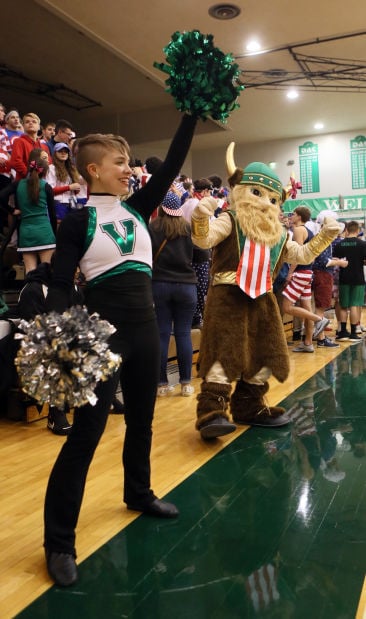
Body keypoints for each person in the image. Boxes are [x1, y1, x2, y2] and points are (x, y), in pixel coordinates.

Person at [42, 112, 198, 587]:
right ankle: (59, 541)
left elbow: (170, 166)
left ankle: (139, 492)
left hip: (147, 330)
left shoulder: (138, 207)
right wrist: (67, 341)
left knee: (143, 421)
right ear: (92, 170)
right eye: (119, 163)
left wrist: (190, 112)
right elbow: (60, 284)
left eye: (129, 162)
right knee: (85, 436)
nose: (128, 169)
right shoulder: (76, 221)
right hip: (104, 336)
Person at [190, 148, 341, 440]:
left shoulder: (279, 234)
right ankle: (212, 410)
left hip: (263, 299)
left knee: (265, 354)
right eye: (257, 194)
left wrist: (325, 236)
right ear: (242, 191)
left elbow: (303, 254)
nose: (265, 203)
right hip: (228, 298)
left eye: (272, 199)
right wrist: (200, 216)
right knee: (223, 353)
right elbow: (203, 238)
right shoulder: (230, 220)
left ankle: (249, 406)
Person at [149, 191, 197, 397]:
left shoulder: (153, 227)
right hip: (187, 286)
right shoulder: (188, 228)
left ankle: (161, 384)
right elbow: (202, 257)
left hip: (159, 284)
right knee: (184, 334)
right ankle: (186, 383)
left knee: (161, 334)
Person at [282, 206, 330, 353]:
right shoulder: (310, 231)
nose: (291, 216)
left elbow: (298, 254)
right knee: (306, 309)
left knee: (286, 307)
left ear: (300, 216)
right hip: (308, 272)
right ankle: (308, 342)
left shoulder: (298, 230)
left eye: (294, 214)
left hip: (300, 272)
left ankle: (319, 320)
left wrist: (290, 273)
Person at [0, 148, 56, 273]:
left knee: (30, 272)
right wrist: (54, 235)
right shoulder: (46, 187)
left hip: (26, 232)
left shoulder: (18, 184)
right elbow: (52, 215)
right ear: (45, 172)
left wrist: (12, 210)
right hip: (45, 232)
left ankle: (29, 293)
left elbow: (1, 197)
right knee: (46, 272)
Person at [332, 220, 366, 341]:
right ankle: (353, 333)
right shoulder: (363, 244)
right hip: (358, 278)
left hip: (343, 278)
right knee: (354, 305)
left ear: (346, 230)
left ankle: (342, 333)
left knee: (343, 305)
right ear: (357, 231)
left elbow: (334, 260)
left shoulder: (339, 245)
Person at [45, 142, 82, 223]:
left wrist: (76, 189)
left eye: (65, 151)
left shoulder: (71, 169)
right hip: (59, 203)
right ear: (55, 153)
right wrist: (69, 187)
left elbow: (75, 191)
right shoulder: (51, 168)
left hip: (72, 203)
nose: (63, 153)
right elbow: (50, 190)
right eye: (60, 151)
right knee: (60, 228)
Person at [9, 113, 51, 180]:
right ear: (23, 126)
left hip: (41, 183)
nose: (31, 123)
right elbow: (16, 162)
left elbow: (48, 164)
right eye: (27, 122)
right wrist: (30, 176)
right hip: (24, 182)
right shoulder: (19, 141)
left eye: (34, 122)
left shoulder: (44, 147)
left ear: (39, 127)